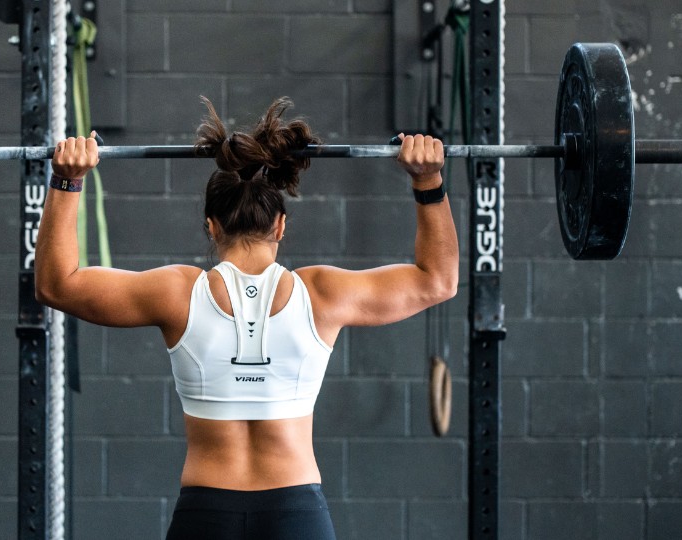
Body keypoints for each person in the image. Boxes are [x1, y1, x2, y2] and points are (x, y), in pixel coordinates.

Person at [35, 97, 459, 540]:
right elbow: (438, 281)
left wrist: (68, 182)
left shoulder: (176, 293)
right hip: (296, 513)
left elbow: (56, 285)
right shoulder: (322, 294)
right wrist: (428, 181)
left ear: (211, 226)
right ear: (280, 226)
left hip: (206, 513)